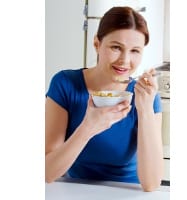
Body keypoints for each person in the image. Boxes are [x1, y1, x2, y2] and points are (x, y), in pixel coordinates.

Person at [45, 6, 163, 192]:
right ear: (97, 44)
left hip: (127, 192)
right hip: (75, 189)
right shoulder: (65, 84)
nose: (125, 60)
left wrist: (145, 110)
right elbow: (47, 172)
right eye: (116, 47)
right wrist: (88, 128)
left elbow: (151, 184)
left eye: (135, 51)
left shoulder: (146, 95)